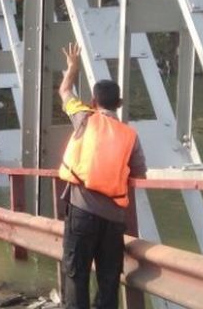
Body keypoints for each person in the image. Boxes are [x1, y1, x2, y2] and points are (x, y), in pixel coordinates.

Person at [57, 43, 146, 309]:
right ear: (119, 104)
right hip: (114, 219)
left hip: (82, 212)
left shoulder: (84, 117)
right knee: (109, 279)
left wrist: (73, 67)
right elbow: (140, 171)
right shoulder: (130, 135)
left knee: (76, 274)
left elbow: (64, 91)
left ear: (94, 102)